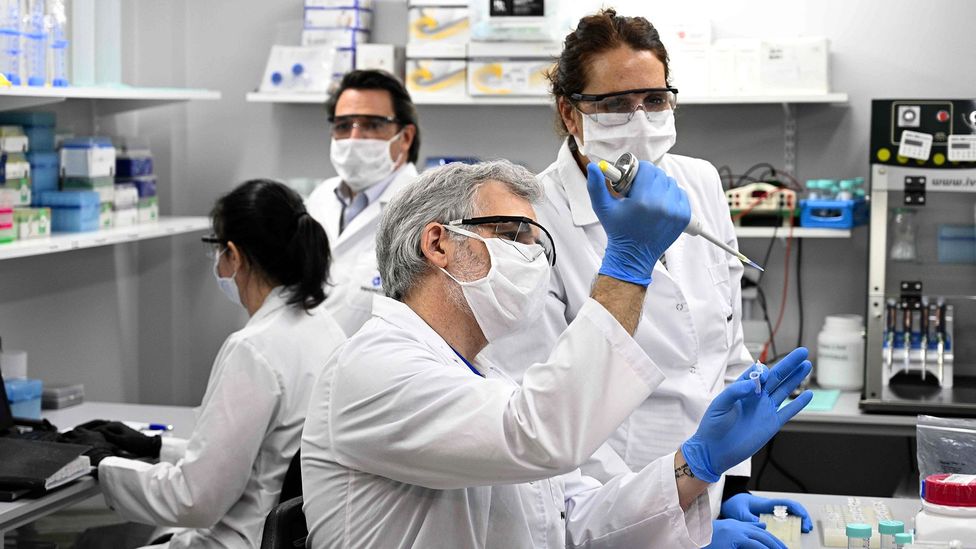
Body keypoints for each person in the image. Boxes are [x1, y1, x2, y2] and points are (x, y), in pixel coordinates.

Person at [301, 159, 814, 548]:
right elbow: (539, 436)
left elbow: (575, 519)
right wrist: (629, 262)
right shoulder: (373, 367)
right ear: (437, 243)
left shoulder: (487, 376)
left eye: (536, 240)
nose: (530, 255)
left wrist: (697, 463)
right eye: (512, 234)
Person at [480, 9, 814, 547]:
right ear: (570, 113)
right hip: (605, 510)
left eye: (654, 100)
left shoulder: (699, 181)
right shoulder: (534, 219)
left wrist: (724, 492)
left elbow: (724, 356)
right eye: (614, 105)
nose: (641, 120)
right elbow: (549, 413)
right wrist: (672, 516)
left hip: (700, 487)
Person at [64, 180, 346, 548]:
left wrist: (102, 465)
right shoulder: (325, 330)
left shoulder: (254, 349)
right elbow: (261, 460)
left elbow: (194, 499)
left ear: (233, 254)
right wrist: (154, 448)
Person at [305, 69, 421, 336]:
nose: (354, 138)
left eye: (372, 124)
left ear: (405, 137)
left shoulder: (426, 212)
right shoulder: (320, 198)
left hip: (377, 373)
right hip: (304, 367)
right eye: (343, 125)